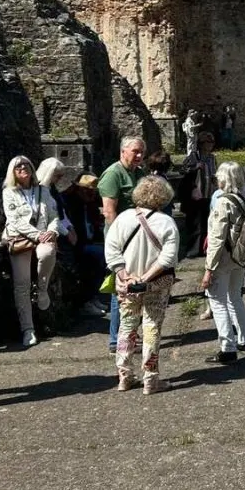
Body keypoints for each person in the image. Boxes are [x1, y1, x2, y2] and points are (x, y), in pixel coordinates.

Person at [106, 177, 180, 394]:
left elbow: (111, 250)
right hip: (156, 284)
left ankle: (124, 376)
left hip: (126, 285)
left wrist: (124, 274)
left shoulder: (123, 218)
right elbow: (168, 258)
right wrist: (146, 277)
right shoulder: (166, 222)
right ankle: (151, 378)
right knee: (152, 328)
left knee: (126, 328)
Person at [2, 155, 59, 348]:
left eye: (26, 165)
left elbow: (53, 215)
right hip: (20, 239)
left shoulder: (43, 190)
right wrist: (38, 235)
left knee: (47, 253)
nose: (23, 168)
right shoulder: (9, 192)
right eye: (18, 166)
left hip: (42, 234)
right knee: (22, 284)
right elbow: (14, 221)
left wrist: (51, 230)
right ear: (13, 172)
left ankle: (42, 289)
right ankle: (28, 329)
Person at [201, 162, 245, 364]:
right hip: (240, 256)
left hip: (223, 258)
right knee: (235, 298)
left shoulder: (223, 202)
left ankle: (227, 347)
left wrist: (208, 268)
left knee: (217, 302)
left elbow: (216, 238)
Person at [100, 137, 147, 353]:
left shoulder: (137, 173)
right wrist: (120, 242)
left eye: (141, 152)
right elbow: (109, 212)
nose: (139, 155)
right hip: (121, 241)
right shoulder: (113, 174)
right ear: (123, 151)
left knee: (135, 290)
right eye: (135, 151)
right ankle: (115, 340)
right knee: (120, 290)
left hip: (137, 239)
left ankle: (129, 335)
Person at [62, 174, 108, 316]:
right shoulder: (71, 203)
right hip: (76, 244)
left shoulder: (89, 203)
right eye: (87, 190)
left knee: (102, 258)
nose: (91, 193)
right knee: (98, 258)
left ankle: (92, 297)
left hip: (89, 240)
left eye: (93, 191)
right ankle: (86, 301)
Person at [180, 132, 217, 258]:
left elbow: (214, 171)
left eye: (211, 142)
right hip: (195, 196)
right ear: (201, 144)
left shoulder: (212, 158)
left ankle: (203, 248)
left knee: (206, 222)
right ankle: (193, 250)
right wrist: (196, 167)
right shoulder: (193, 156)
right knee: (195, 224)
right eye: (208, 142)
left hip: (208, 194)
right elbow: (183, 171)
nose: (210, 145)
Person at [36, 158, 76, 247]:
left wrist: (70, 227)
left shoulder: (52, 189)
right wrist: (67, 232)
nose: (60, 179)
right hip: (47, 234)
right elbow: (50, 216)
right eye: (58, 176)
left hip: (60, 231)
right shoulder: (38, 191)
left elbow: (60, 211)